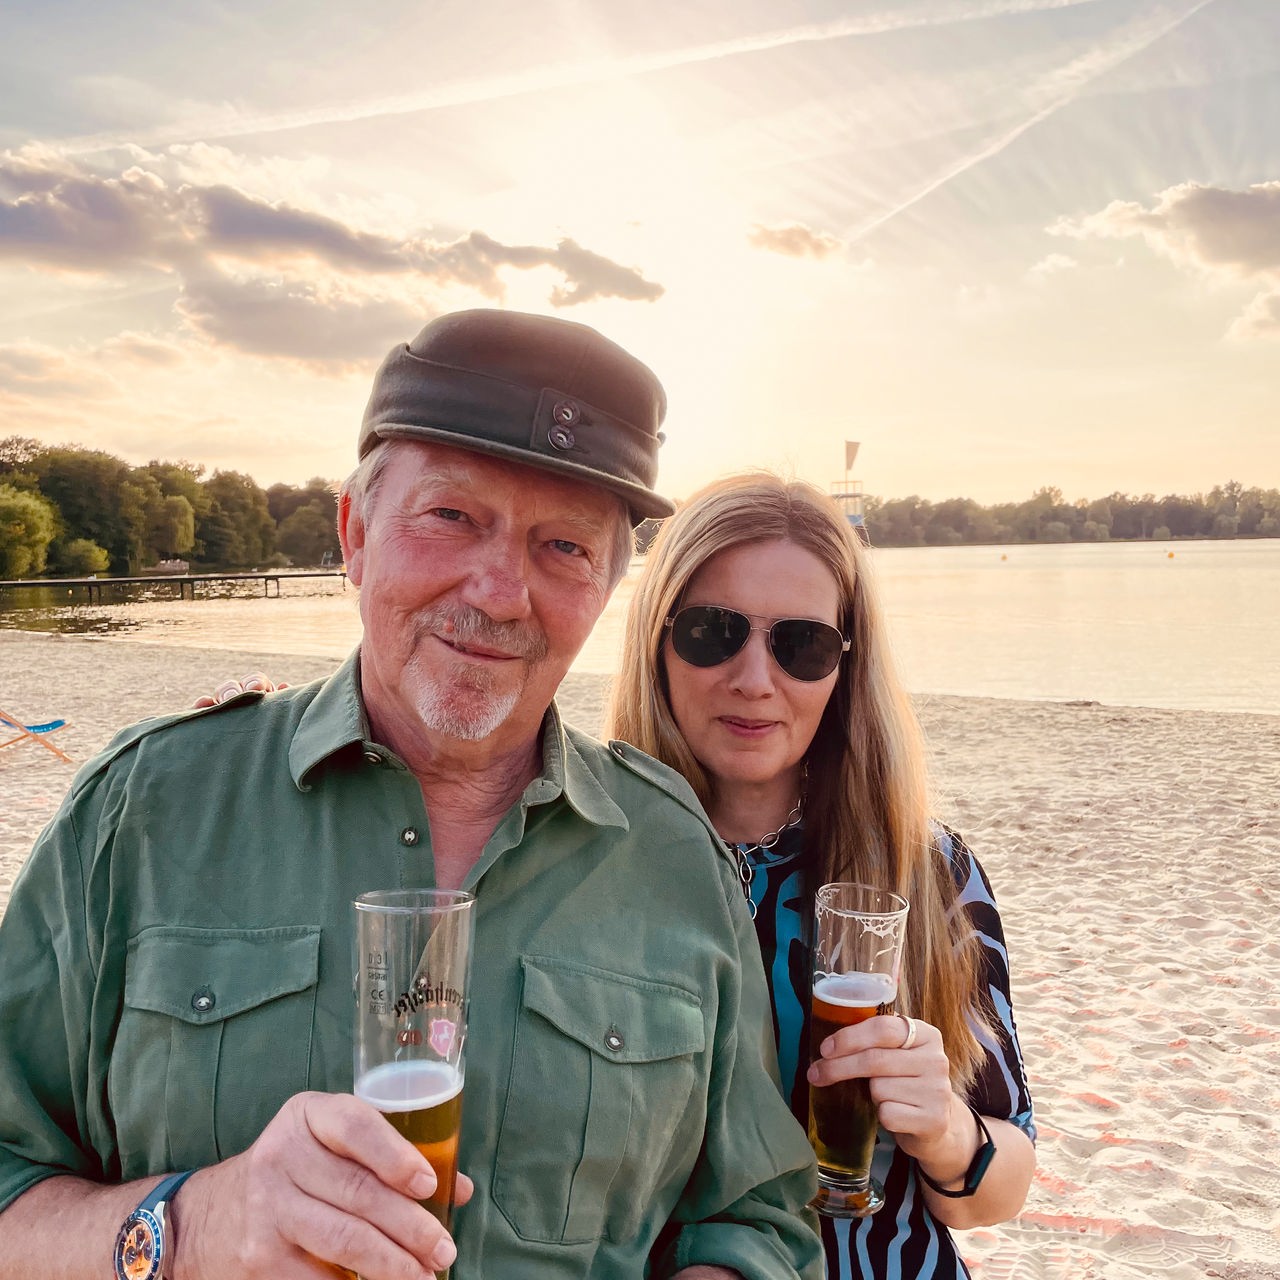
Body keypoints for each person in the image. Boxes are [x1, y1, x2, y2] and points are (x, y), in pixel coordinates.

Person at [0, 312, 823, 1280]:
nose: (499, 588)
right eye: (450, 516)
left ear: (606, 584)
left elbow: (756, 1217)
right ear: (354, 533)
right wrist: (187, 1227)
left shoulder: (672, 853)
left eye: (562, 545)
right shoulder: (143, 810)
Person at [607, 472, 1036, 1278]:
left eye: (801, 645)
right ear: (655, 641)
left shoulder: (928, 870)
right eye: (712, 632)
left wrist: (943, 1126)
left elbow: (1001, 1186)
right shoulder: (587, 859)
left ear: (845, 666)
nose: (755, 679)